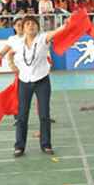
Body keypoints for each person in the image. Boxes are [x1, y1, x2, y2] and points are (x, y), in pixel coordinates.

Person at [6, 16, 64, 157]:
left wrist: (66, 25)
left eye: (33, 24)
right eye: (27, 24)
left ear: (38, 27)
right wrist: (12, 65)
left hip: (42, 81)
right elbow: (10, 53)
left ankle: (46, 144)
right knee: (22, 116)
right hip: (24, 82)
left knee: (44, 115)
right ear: (23, 28)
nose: (31, 26)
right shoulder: (18, 43)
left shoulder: (43, 39)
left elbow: (56, 32)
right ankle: (19, 146)